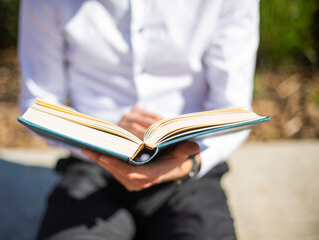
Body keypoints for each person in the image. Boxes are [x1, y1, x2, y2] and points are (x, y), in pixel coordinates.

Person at [18, 0, 259, 239]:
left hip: (186, 171)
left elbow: (231, 107)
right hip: (92, 169)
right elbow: (38, 101)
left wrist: (191, 164)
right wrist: (103, 138)